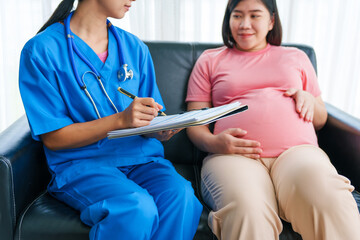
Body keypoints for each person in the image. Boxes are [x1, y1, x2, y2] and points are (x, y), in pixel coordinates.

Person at [18, 0, 202, 239]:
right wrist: (120, 120)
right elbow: (54, 138)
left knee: (182, 197)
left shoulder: (134, 48)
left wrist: (159, 129)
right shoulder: (42, 50)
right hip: (83, 164)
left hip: (141, 159)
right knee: (135, 208)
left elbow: (150, 116)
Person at [186, 0, 360, 239]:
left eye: (254, 15)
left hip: (298, 153)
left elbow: (319, 119)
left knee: (328, 197)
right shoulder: (210, 60)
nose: (244, 24)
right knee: (248, 210)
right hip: (234, 157)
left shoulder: (296, 57)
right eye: (237, 16)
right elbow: (195, 123)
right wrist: (217, 144)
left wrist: (309, 98)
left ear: (271, 21)